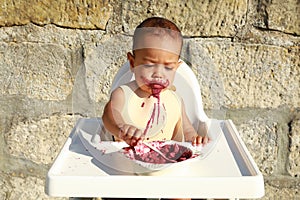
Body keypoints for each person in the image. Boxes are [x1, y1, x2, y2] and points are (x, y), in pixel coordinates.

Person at [101, 16, 209, 200]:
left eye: (168, 67)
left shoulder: (174, 100)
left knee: (182, 195)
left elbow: (186, 129)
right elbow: (109, 115)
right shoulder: (124, 93)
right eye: (149, 64)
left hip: (166, 171)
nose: (158, 74)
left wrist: (194, 139)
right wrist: (121, 127)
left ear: (177, 67)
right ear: (133, 62)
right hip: (126, 171)